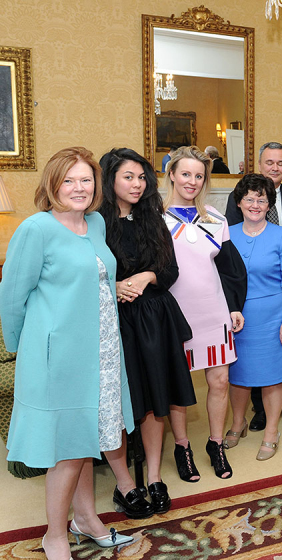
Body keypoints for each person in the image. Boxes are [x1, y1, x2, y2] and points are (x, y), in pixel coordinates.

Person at [0, 147, 135, 560]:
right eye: (69, 180)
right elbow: (12, 297)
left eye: (86, 179)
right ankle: (54, 535)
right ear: (52, 185)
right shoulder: (36, 229)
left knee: (88, 435)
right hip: (58, 355)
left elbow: (94, 280)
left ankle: (87, 519)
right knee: (67, 447)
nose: (79, 188)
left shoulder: (94, 222)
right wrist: (26, 350)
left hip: (102, 350)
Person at [98, 148, 195, 518]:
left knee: (156, 400)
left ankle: (154, 476)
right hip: (114, 321)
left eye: (141, 177)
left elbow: (170, 271)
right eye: (128, 177)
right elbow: (87, 272)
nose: (137, 184)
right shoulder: (94, 222)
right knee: (120, 403)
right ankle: (124, 483)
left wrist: (147, 276)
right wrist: (116, 285)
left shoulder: (153, 217)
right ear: (110, 180)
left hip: (154, 318)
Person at [163, 146, 246, 481]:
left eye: (199, 176)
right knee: (178, 388)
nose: (192, 181)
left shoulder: (215, 218)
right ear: (171, 174)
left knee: (220, 380)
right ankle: (182, 446)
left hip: (214, 313)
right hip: (174, 317)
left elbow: (229, 269)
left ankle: (215, 444)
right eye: (185, 174)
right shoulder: (155, 218)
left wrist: (235, 305)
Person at [225, 142, 282, 432]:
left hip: (274, 315)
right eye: (249, 200)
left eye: (261, 201)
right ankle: (241, 422)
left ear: (269, 204)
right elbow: (221, 276)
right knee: (239, 375)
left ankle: (274, 427)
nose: (255, 205)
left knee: (276, 374)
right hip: (238, 317)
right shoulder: (227, 235)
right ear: (239, 203)